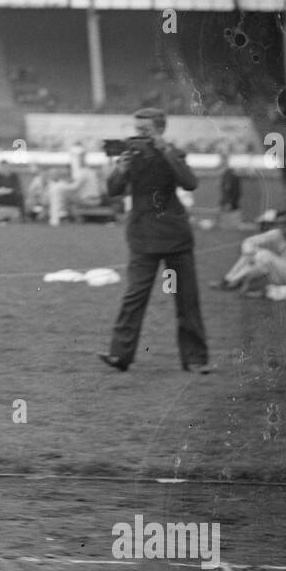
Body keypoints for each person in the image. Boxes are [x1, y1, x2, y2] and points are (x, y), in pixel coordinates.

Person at [99, 108, 212, 374]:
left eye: (145, 131)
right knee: (134, 297)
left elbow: (190, 183)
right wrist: (121, 168)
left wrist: (165, 150)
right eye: (137, 130)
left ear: (160, 130)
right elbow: (112, 190)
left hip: (175, 238)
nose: (139, 136)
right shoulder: (132, 155)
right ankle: (120, 355)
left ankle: (195, 359)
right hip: (142, 237)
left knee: (187, 300)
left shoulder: (175, 154)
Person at [214, 209, 286, 294]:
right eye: (280, 223)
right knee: (256, 256)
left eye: (285, 223)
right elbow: (249, 241)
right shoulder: (276, 234)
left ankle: (232, 282)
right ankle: (229, 280)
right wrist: (249, 252)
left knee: (264, 256)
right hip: (282, 274)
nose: (282, 226)